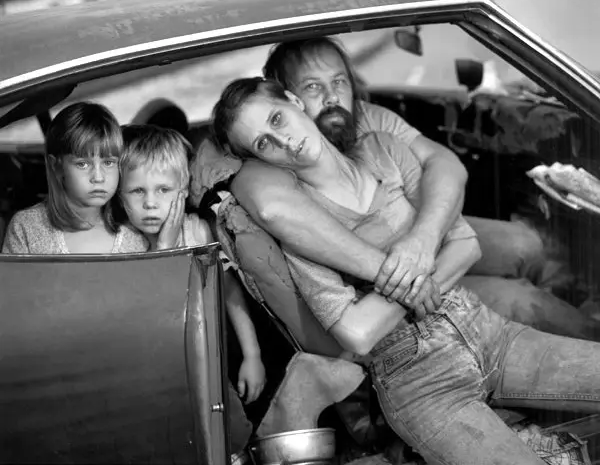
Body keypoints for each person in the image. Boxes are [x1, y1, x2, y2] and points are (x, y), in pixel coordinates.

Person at [211, 77, 600, 465]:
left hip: (487, 329)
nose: (283, 141)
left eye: (277, 119)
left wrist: (415, 255)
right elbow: (356, 333)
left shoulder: (384, 149)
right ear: (260, 160)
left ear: (295, 101)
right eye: (264, 143)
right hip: (417, 379)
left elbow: (467, 246)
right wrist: (416, 285)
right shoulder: (300, 226)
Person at [232, 37, 565, 302]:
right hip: (384, 285)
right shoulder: (276, 151)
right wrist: (411, 273)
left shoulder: (370, 119)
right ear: (292, 98)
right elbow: (263, 199)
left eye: (339, 81)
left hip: (427, 236)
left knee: (526, 245)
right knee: (521, 300)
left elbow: (445, 163)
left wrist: (424, 238)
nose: (333, 96)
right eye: (313, 87)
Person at [118, 124, 266, 406]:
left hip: (208, 357)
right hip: (151, 369)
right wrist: (163, 249)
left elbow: (229, 292)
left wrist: (252, 355)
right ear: (120, 195)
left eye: (163, 189)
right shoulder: (122, 243)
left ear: (183, 191)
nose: (150, 203)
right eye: (137, 191)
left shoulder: (198, 233)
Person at [2, 102, 147, 254]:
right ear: (56, 166)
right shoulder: (27, 228)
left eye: (109, 163)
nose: (98, 177)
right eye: (82, 164)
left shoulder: (135, 234)